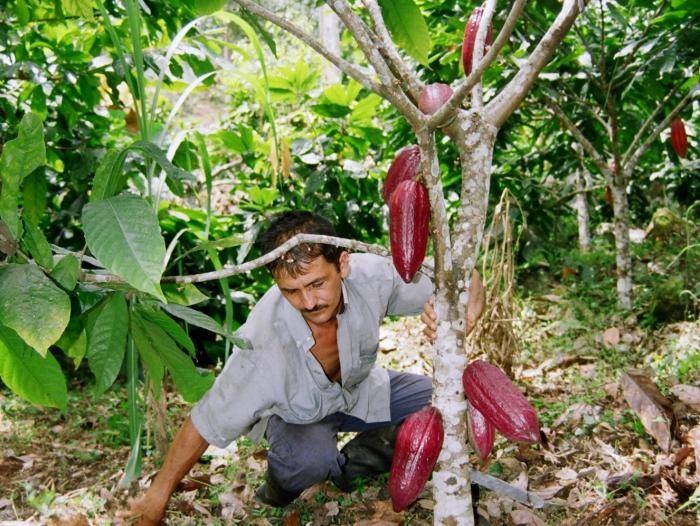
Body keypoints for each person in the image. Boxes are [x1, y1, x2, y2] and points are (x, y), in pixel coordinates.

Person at [119, 210, 483, 524]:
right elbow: (205, 420)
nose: (308, 301)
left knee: (454, 405)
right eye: (292, 290)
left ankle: (354, 464)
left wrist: (461, 308)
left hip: (359, 392)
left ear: (342, 264)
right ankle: (282, 484)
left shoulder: (370, 275)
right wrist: (156, 498)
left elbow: (456, 278)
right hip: (297, 417)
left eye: (317, 284)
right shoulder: (263, 345)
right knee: (308, 466)